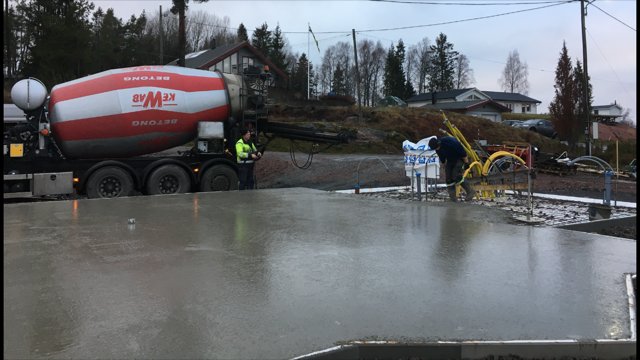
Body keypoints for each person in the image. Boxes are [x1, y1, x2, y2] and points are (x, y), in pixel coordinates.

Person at [428, 136, 475, 202]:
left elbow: (462, 152)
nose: (437, 149)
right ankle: (453, 198)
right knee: (448, 178)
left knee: (456, 176)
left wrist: (466, 162)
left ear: (439, 143)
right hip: (450, 160)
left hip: (459, 158)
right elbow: (442, 158)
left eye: (437, 148)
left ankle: (470, 191)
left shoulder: (450, 142)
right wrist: (445, 165)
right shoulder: (437, 148)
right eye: (435, 149)